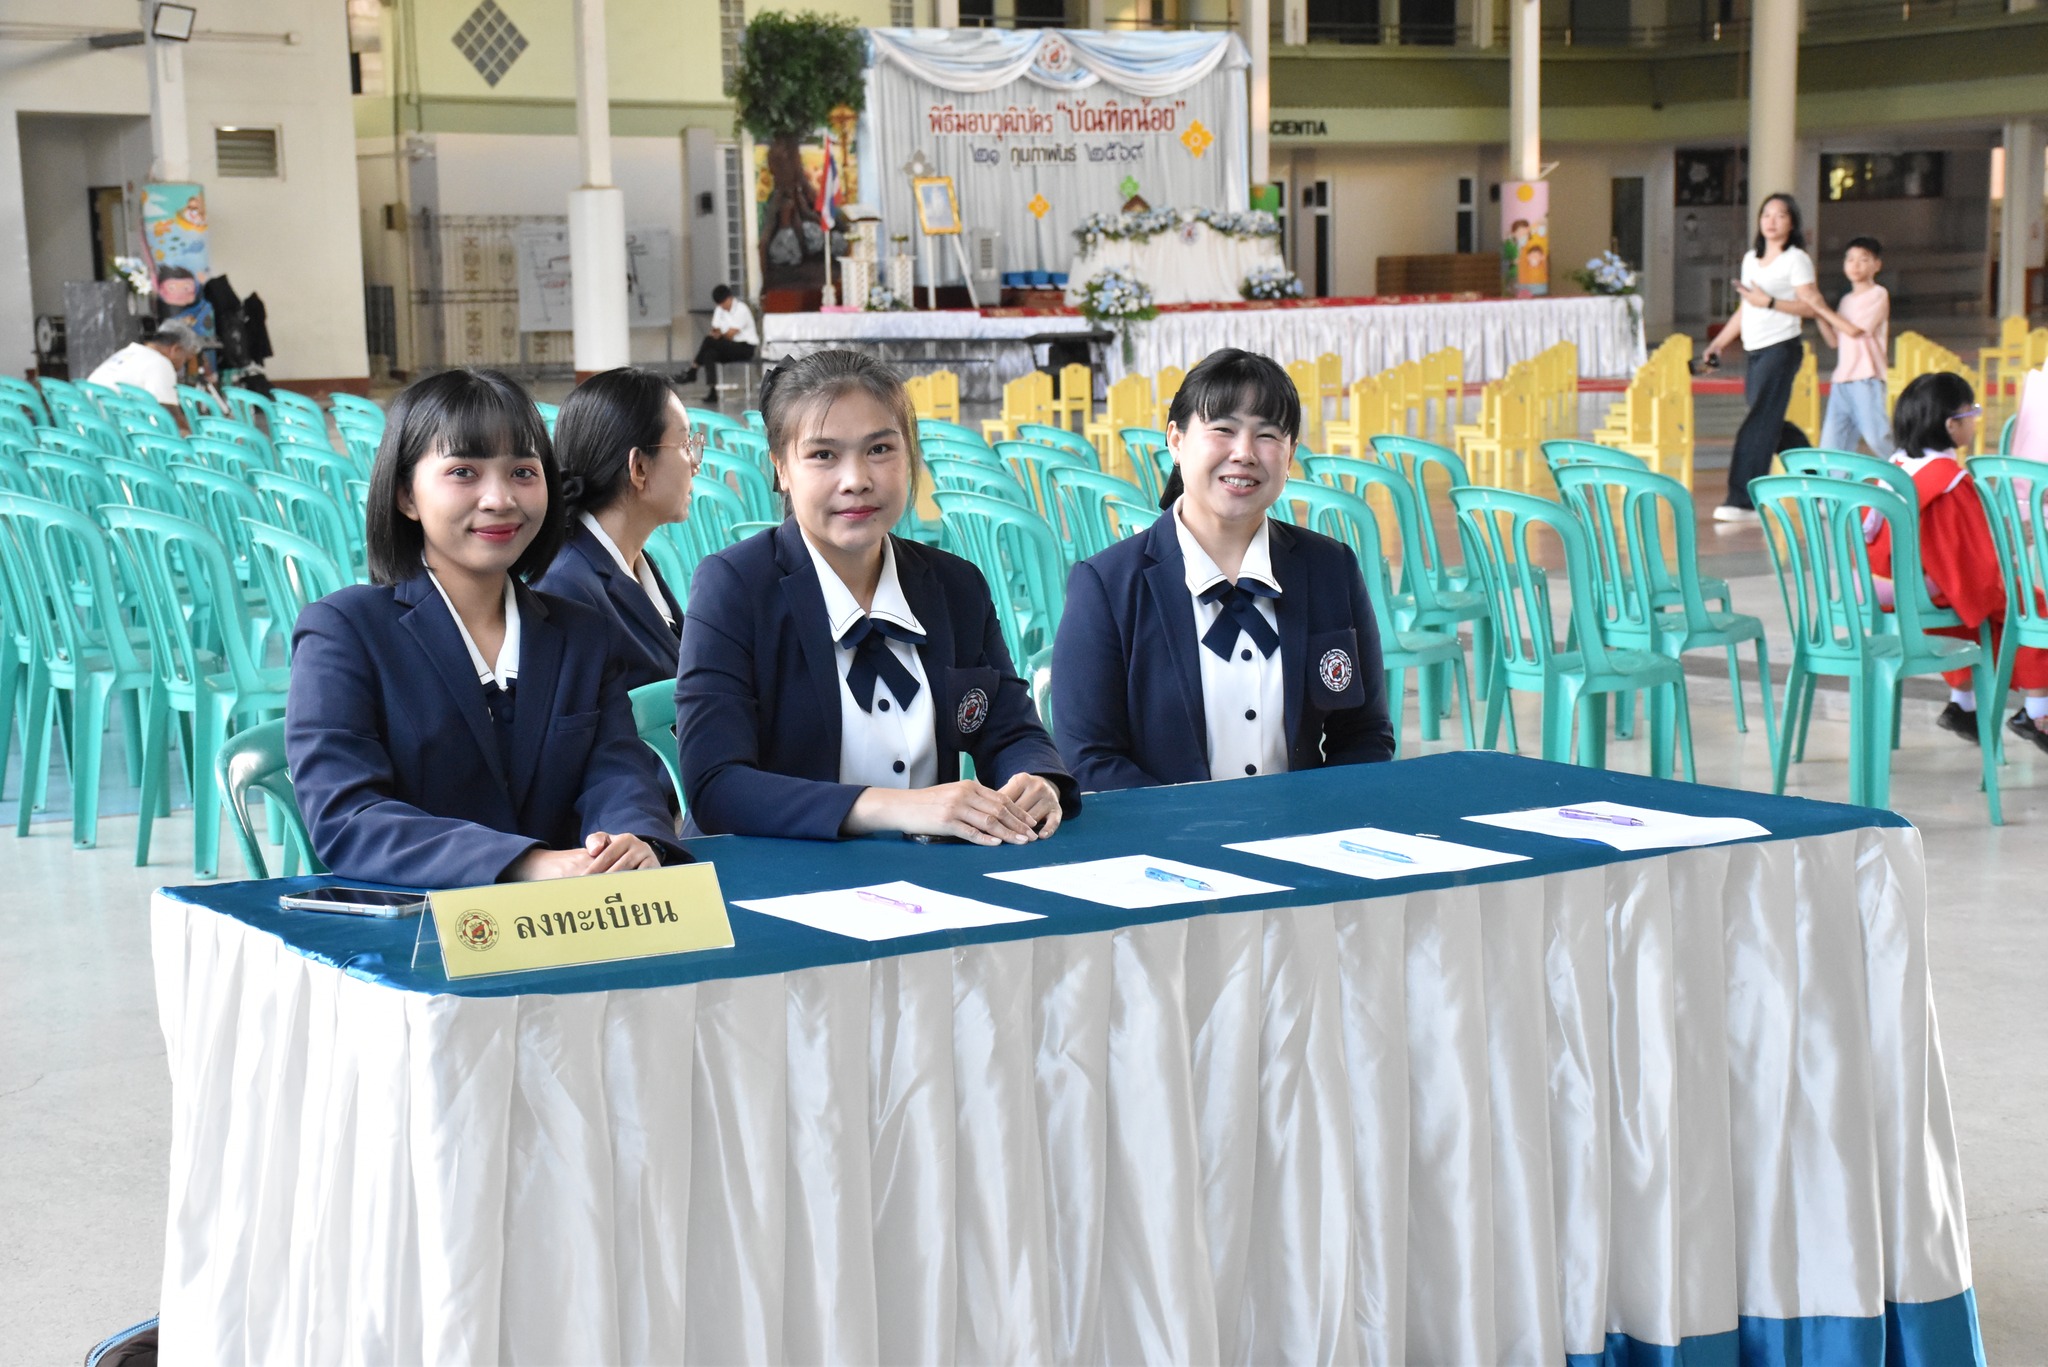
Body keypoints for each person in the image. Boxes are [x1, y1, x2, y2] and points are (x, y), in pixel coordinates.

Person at [286, 367, 686, 888]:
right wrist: (526, 863)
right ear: (406, 495)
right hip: (421, 925)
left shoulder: (581, 634)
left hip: (571, 918)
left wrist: (632, 840)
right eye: (463, 472)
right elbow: (348, 815)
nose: (500, 499)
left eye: (523, 472)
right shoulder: (345, 632)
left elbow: (618, 773)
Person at [674, 348, 1079, 843]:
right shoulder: (734, 588)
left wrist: (1035, 779)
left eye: (880, 449)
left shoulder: (955, 586)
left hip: (932, 876)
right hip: (784, 870)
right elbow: (717, 784)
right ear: (781, 468)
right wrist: (899, 808)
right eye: (823, 455)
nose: (857, 481)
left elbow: (1011, 728)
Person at [1050, 348, 1396, 791]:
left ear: (1290, 454)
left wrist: (1316, 817)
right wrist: (1196, 822)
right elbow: (1088, 758)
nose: (1245, 453)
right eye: (1223, 430)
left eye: (1267, 435)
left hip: (1307, 828)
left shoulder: (1330, 569)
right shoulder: (1107, 586)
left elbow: (1365, 734)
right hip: (1165, 832)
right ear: (1176, 440)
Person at [1866, 372, 2048, 752]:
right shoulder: (1948, 480)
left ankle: (1963, 705)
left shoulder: (1894, 468)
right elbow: (1968, 559)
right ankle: (2038, 712)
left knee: (1978, 615)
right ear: (1952, 425)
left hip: (1890, 590)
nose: (1976, 420)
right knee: (2031, 606)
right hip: (1929, 590)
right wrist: (2014, 543)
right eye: (1972, 412)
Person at [1703, 193, 1863, 522]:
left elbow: (1810, 306)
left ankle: (1743, 500)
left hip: (1781, 348)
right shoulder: (1750, 259)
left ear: (1792, 223)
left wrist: (1771, 303)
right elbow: (1747, 308)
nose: (1771, 221)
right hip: (1754, 351)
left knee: (1758, 423)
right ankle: (1822, 489)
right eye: (1766, 214)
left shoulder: (1796, 259)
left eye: (1780, 215)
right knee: (1772, 425)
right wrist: (1718, 343)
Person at [536, 367, 696, 691]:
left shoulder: (634, 559)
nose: (695, 462)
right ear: (639, 468)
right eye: (685, 444)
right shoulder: (564, 590)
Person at [1815, 237, 1892, 456]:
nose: (1855, 265)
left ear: (1877, 265)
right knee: (1832, 446)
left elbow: (1855, 331)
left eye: (1863, 259)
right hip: (1842, 380)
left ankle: (1908, 470)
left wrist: (1822, 309)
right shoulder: (1846, 300)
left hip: (1866, 378)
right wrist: (1818, 314)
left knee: (1878, 438)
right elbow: (1833, 341)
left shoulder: (1878, 294)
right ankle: (1836, 480)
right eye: (1850, 259)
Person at [86, 318, 202, 411]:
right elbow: (168, 414)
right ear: (176, 349)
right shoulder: (160, 363)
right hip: (113, 425)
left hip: (91, 422)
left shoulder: (127, 352)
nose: (181, 367)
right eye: (185, 360)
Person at [681, 285, 758, 406]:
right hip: (727, 347)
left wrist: (720, 334)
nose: (722, 306)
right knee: (709, 354)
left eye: (723, 303)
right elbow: (715, 330)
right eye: (720, 304)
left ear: (729, 298)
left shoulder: (741, 309)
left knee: (709, 340)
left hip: (744, 347)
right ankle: (712, 391)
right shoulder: (719, 309)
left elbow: (730, 335)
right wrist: (721, 334)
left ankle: (693, 370)